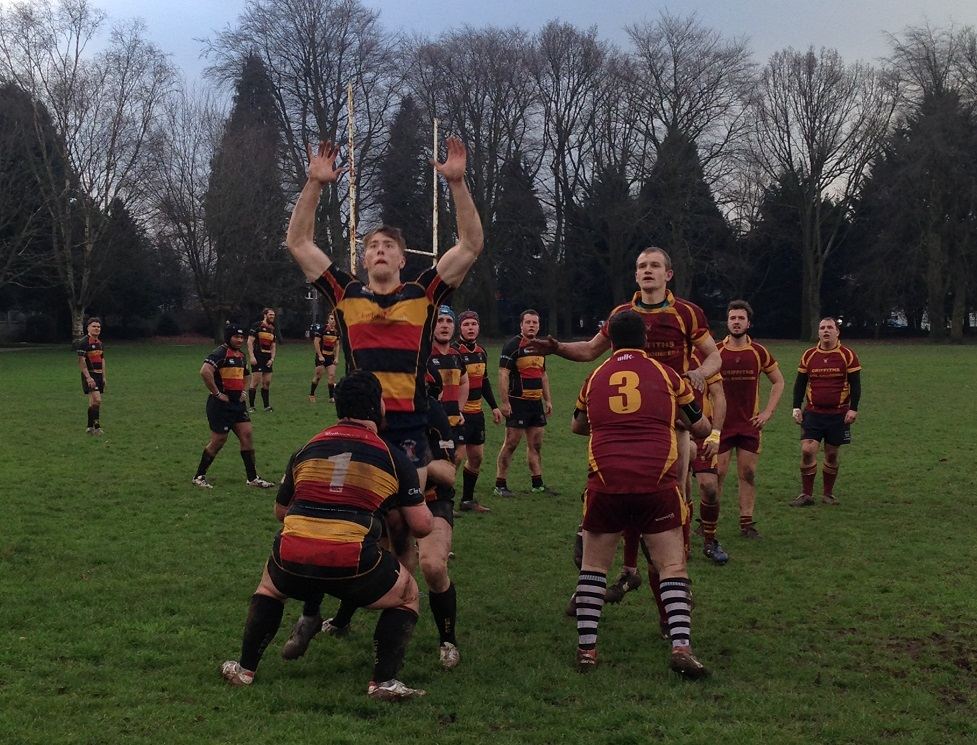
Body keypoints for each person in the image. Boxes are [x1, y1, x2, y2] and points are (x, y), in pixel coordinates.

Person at [220, 371, 434, 701]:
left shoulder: (308, 447)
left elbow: (281, 512)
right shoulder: (392, 456)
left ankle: (245, 669)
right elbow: (421, 526)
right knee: (408, 595)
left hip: (292, 559)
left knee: (269, 585)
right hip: (351, 565)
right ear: (379, 405)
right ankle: (384, 682)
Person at [285, 138, 483, 487]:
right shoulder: (346, 294)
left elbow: (470, 245)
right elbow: (298, 243)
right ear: (364, 259)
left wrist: (457, 183)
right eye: (373, 246)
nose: (380, 250)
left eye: (388, 246)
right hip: (360, 424)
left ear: (402, 259)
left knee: (407, 528)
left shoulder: (424, 293)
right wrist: (314, 183)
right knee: (366, 522)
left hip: (409, 425)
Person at [533, 248, 721, 602]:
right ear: (635, 276)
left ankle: (671, 576)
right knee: (618, 488)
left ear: (669, 274)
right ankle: (628, 570)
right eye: (641, 266)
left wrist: (699, 372)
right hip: (624, 421)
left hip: (674, 418)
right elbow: (590, 350)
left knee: (671, 496)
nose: (647, 271)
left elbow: (714, 354)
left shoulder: (686, 312)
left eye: (654, 266)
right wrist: (556, 348)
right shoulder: (622, 313)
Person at [571, 310, 711, 677]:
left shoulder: (594, 377)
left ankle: (587, 650)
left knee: (593, 567)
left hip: (606, 481)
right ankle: (680, 645)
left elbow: (576, 425)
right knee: (672, 566)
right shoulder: (669, 375)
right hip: (657, 482)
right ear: (645, 340)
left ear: (611, 341)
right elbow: (700, 425)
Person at [716, 301, 784, 537]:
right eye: (732, 318)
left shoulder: (759, 352)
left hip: (749, 425)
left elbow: (779, 381)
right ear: (727, 322)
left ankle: (746, 522)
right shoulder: (715, 352)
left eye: (741, 318)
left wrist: (767, 412)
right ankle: (707, 523)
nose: (736, 322)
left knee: (748, 473)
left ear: (748, 323)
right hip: (721, 425)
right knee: (717, 474)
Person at [192, 322, 275, 489]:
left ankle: (252, 478)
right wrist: (217, 393)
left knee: (247, 435)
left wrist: (244, 391)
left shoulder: (241, 355)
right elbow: (204, 371)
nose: (239, 340)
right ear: (228, 337)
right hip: (220, 405)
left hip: (238, 404)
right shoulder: (220, 353)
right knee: (219, 440)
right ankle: (199, 476)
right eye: (236, 337)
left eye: (241, 337)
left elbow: (246, 374)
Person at [790, 317, 861, 507]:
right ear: (818, 332)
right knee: (807, 450)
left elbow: (856, 385)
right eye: (822, 328)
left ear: (837, 332)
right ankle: (806, 494)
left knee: (831, 454)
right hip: (813, 413)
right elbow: (800, 383)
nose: (826, 331)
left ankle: (828, 494)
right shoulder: (809, 355)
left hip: (838, 414)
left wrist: (853, 408)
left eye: (830, 327)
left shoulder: (848, 355)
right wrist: (796, 406)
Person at [495, 309, 553, 496]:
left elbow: (543, 375)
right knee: (511, 443)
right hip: (517, 403)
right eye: (528, 322)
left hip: (535, 403)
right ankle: (500, 484)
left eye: (535, 323)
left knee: (536, 445)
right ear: (521, 325)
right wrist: (504, 402)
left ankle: (538, 484)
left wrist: (548, 400)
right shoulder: (512, 345)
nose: (531, 325)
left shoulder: (540, 347)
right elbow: (503, 374)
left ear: (539, 325)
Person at [454, 310, 501, 512]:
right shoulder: (454, 352)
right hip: (459, 415)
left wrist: (494, 406)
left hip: (477, 414)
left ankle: (467, 500)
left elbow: (484, 381)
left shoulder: (482, 352)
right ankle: (442, 502)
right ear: (460, 328)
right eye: (466, 324)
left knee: (476, 458)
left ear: (478, 327)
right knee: (455, 459)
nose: (470, 328)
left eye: (474, 324)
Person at [688, 348, 727, 564]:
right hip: (671, 430)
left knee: (710, 488)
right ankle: (681, 544)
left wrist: (715, 433)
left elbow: (719, 395)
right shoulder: (659, 354)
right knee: (678, 490)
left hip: (702, 432)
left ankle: (710, 540)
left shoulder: (704, 358)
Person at [426, 305, 469, 466]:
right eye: (440, 321)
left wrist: (460, 409)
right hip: (432, 422)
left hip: (454, 419)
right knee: (436, 461)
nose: (445, 325)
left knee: (458, 455)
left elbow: (464, 382)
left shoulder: (456, 356)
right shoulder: (425, 355)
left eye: (449, 321)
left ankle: (446, 488)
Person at [76, 317, 106, 435]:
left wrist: (104, 376)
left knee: (92, 402)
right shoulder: (83, 342)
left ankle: (89, 427)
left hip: (99, 376)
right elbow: (81, 361)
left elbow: (103, 359)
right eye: (94, 326)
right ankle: (97, 427)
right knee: (98, 400)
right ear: (88, 327)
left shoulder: (100, 343)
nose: (97, 328)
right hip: (90, 375)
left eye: (98, 327)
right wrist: (88, 377)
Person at [247, 308, 277, 412]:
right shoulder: (257, 326)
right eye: (270, 315)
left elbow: (273, 346)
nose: (272, 316)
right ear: (265, 315)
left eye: (273, 315)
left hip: (267, 358)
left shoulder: (273, 328)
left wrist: (272, 359)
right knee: (255, 382)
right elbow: (250, 342)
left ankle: (266, 406)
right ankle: (251, 407)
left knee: (267, 382)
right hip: (258, 356)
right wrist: (252, 356)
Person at [310, 312, 340, 403]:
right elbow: (316, 342)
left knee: (331, 376)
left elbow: (337, 345)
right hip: (322, 356)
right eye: (331, 319)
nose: (333, 321)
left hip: (331, 357)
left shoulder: (336, 331)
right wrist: (320, 356)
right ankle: (311, 394)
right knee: (318, 376)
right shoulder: (322, 330)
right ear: (328, 320)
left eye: (334, 319)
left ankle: (331, 398)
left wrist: (337, 357)